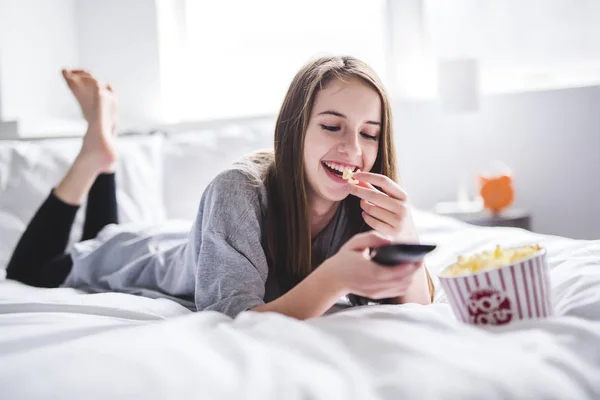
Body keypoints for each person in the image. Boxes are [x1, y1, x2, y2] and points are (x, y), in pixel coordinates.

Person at [6, 56, 434, 320]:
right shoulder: (238, 190)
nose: (352, 148)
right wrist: (334, 277)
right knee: (41, 266)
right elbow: (233, 317)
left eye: (370, 134)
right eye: (331, 126)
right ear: (295, 129)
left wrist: (407, 235)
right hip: (142, 256)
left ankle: (105, 154)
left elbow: (416, 307)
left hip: (189, 240)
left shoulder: (363, 208)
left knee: (102, 233)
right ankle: (93, 156)